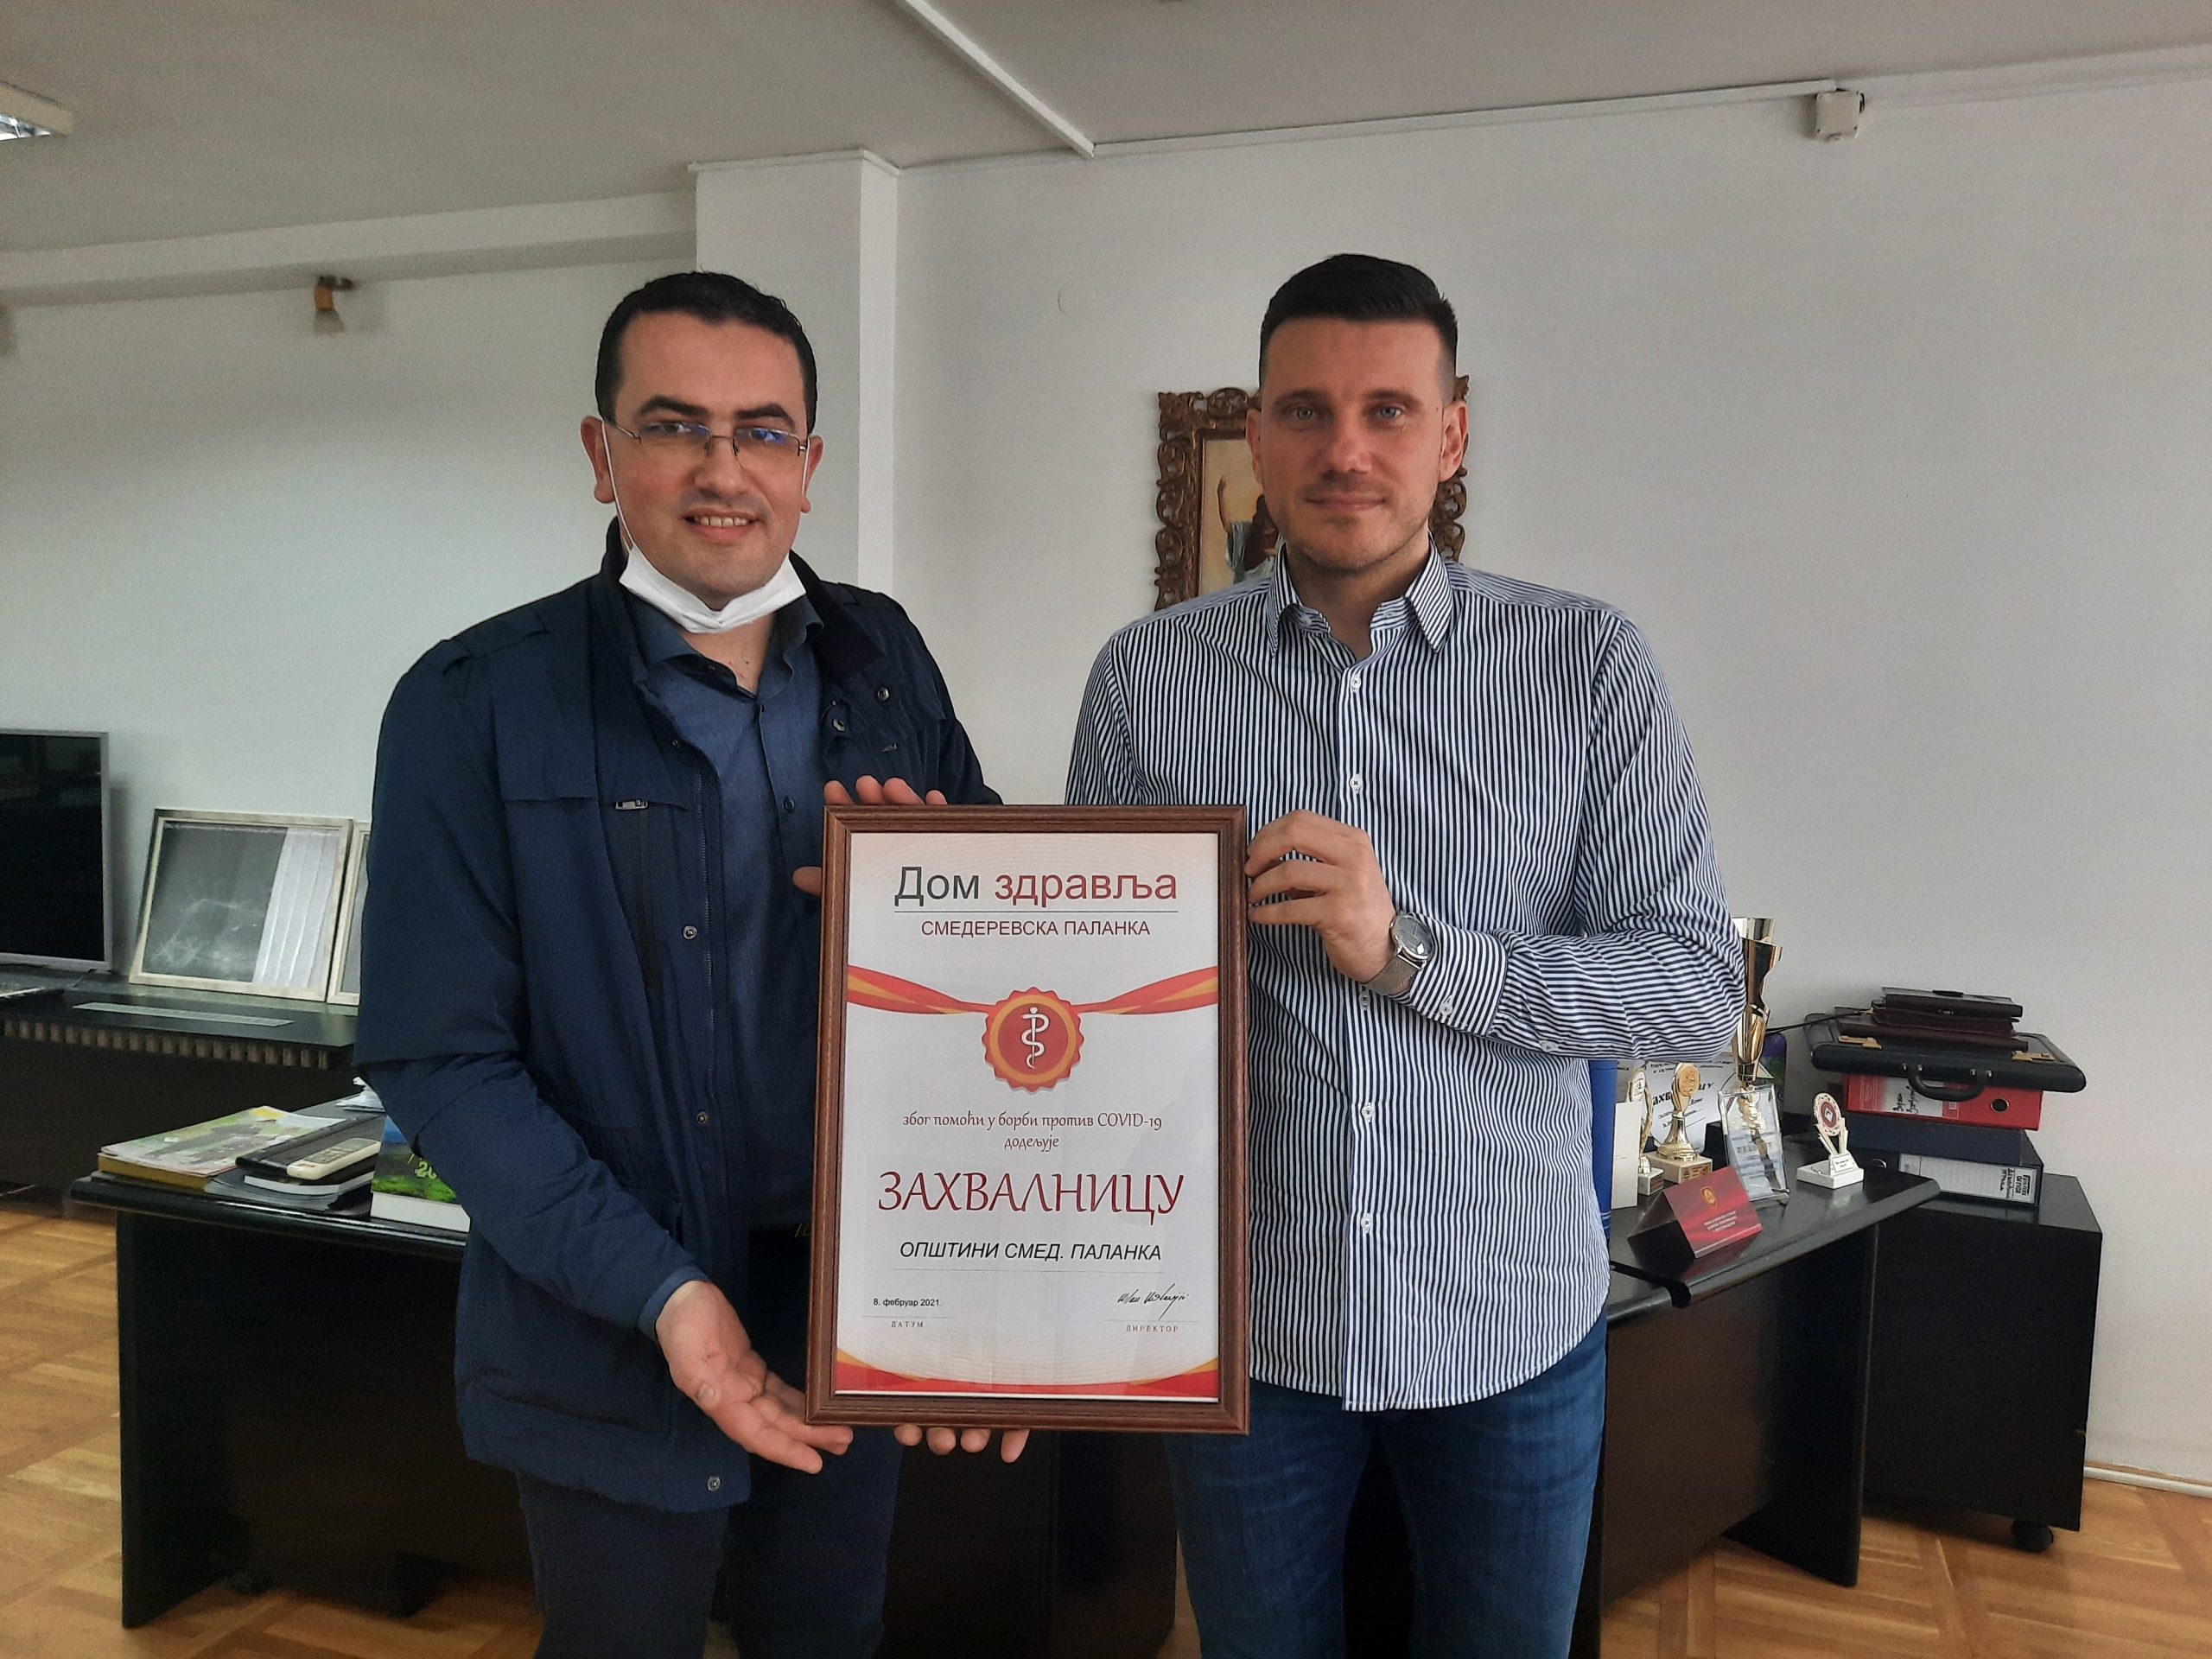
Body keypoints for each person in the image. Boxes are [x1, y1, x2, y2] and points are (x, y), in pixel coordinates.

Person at [1066, 252, 1742, 1657]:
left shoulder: (1588, 668)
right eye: (1305, 411)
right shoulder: (1145, 678)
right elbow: (1095, 993)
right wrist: (927, 907)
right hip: (1251, 1333)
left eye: (1389, 410)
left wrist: (1415, 954)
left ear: (1453, 434)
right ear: (1257, 433)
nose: (1347, 450)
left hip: (1510, 1330)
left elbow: (1692, 991)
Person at [358, 270, 1022, 1659]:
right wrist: (662, 1295)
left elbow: (1011, 971)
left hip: (856, 1298)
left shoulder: (883, 662)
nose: (725, 471)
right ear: (603, 454)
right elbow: (440, 1056)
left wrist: (942, 905)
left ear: (809, 465)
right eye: (676, 427)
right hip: (609, 1309)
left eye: (763, 432)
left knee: (825, 1638)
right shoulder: (473, 701)